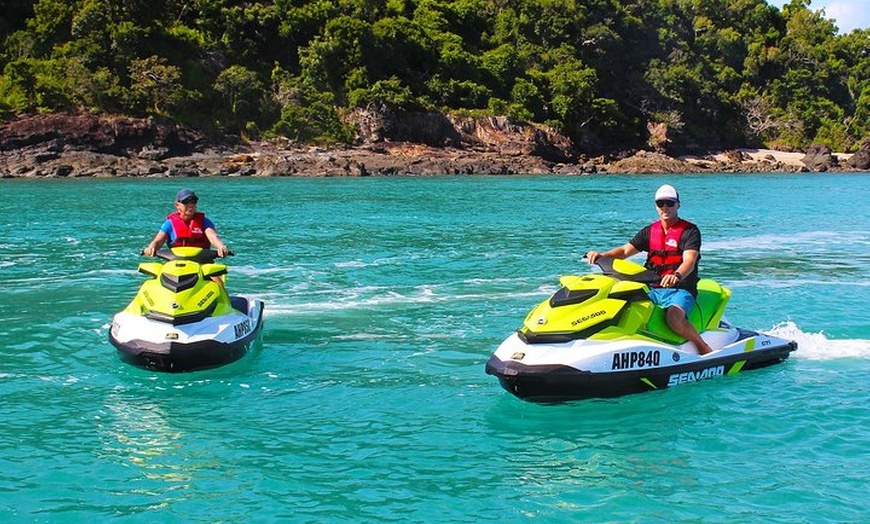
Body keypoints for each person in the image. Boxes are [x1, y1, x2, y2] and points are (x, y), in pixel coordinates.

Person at [586, 184, 713, 355]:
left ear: (678, 205)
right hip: (652, 286)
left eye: (670, 203)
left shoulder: (690, 231)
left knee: (674, 317)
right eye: (661, 204)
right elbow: (624, 251)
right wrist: (601, 256)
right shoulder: (650, 231)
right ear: (656, 206)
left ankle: (702, 346)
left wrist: (677, 275)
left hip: (680, 289)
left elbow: (689, 260)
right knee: (620, 302)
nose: (665, 208)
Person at [143, 188, 230, 258]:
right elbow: (157, 241)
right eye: (186, 202)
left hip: (202, 262)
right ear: (177, 205)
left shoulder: (205, 222)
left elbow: (213, 237)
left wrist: (220, 246)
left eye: (193, 201)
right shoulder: (169, 224)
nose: (190, 205)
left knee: (215, 279)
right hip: (175, 263)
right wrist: (151, 248)